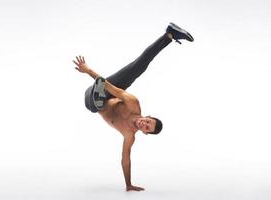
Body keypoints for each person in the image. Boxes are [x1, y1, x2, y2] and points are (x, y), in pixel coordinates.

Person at [73, 22, 194, 192]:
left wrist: (128, 184)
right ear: (148, 116)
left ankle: (96, 97)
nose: (144, 124)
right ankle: (170, 35)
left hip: (92, 102)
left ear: (145, 132)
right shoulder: (133, 103)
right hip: (107, 90)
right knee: (138, 67)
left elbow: (125, 159)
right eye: (147, 121)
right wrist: (88, 71)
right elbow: (109, 87)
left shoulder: (129, 135)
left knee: (96, 104)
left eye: (147, 127)